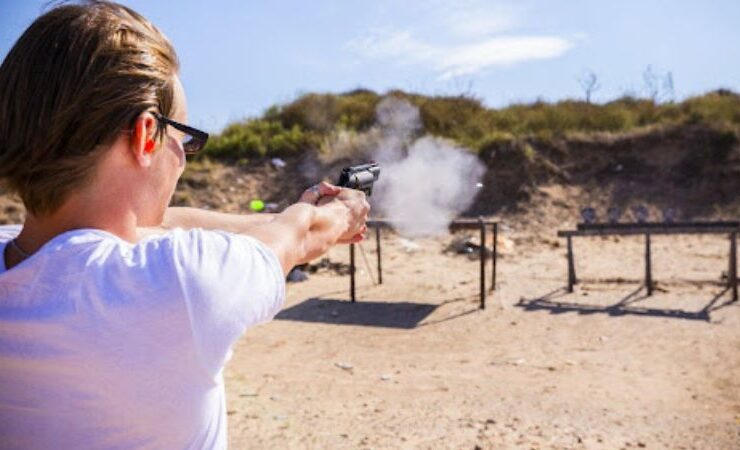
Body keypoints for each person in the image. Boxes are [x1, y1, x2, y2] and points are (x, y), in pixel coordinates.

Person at [0, 1, 369, 448]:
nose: (182, 161)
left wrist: (284, 213)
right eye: (183, 141)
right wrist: (341, 212)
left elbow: (159, 225)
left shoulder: (26, 257)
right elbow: (304, 235)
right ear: (144, 134)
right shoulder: (177, 283)